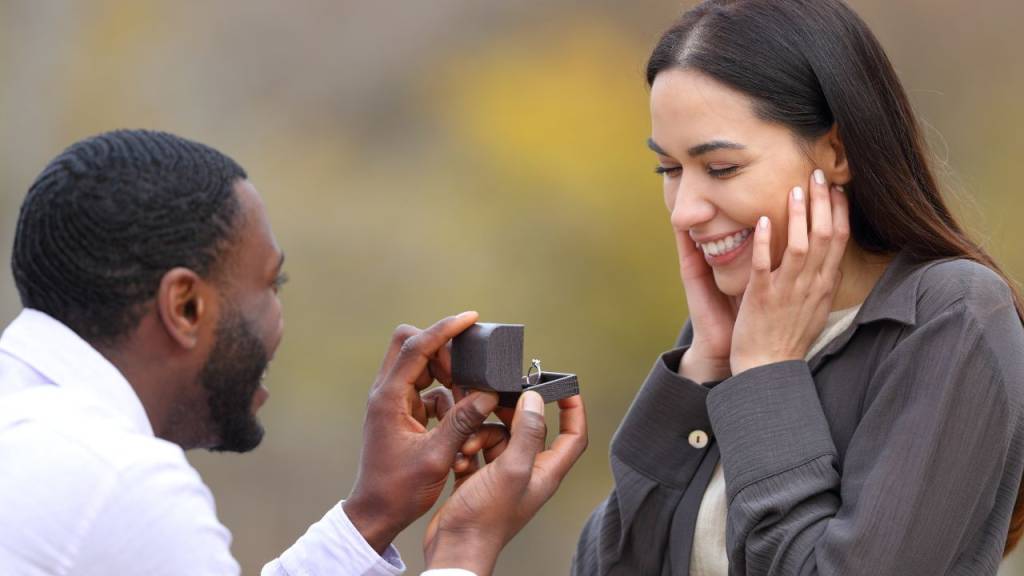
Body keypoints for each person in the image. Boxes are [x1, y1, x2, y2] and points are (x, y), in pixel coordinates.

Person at [0, 129, 587, 575]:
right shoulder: (118, 483)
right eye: (270, 287)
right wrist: (463, 546)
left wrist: (372, 515)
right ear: (184, 306)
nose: (279, 321)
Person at [573, 1, 1024, 575]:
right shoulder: (727, 335)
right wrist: (700, 371)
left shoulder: (951, 316)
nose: (684, 211)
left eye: (721, 168)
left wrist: (765, 374)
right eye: (669, 170)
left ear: (836, 151)